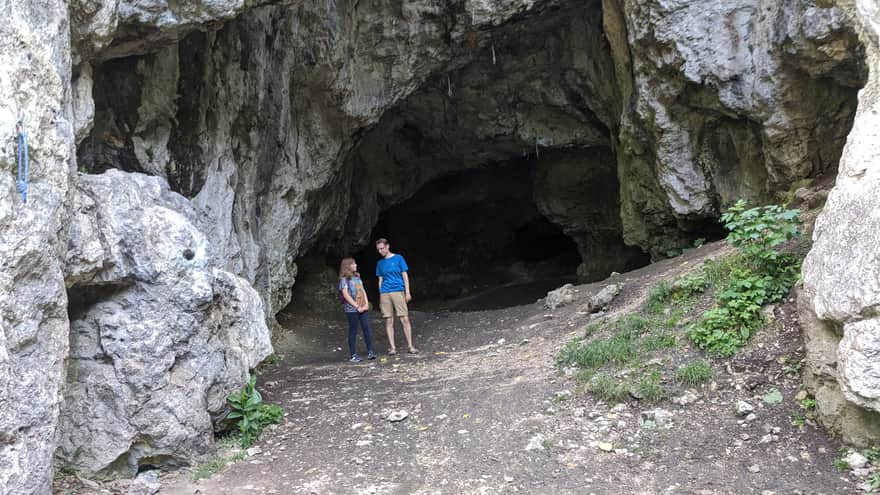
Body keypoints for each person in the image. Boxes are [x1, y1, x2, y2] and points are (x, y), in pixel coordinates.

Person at [375, 238, 418, 355]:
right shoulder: (380, 263)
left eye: (382, 248)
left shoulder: (399, 258)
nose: (380, 251)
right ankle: (392, 348)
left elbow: (405, 276)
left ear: (387, 246)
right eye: (378, 249)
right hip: (385, 292)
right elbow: (380, 279)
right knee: (389, 320)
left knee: (404, 318)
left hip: (398, 290)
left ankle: (410, 346)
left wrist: (407, 292)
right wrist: (381, 294)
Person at [338, 257, 376, 363]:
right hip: (352, 310)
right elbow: (346, 295)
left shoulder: (357, 277)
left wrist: (366, 304)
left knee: (366, 328)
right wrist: (357, 306)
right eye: (353, 264)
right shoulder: (344, 280)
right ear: (347, 266)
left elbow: (363, 291)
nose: (356, 265)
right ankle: (353, 355)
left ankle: (370, 351)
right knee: (353, 330)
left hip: (363, 307)